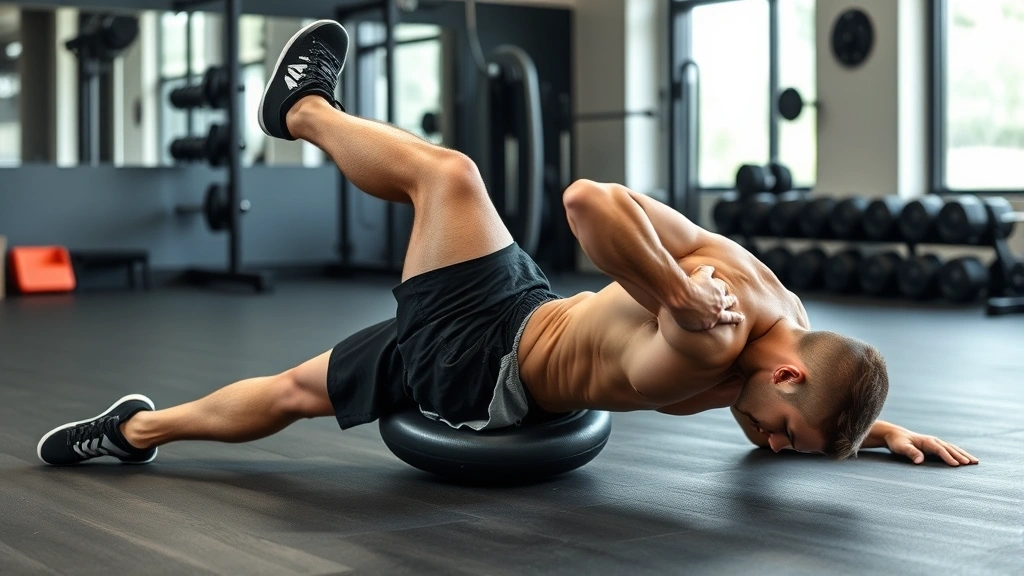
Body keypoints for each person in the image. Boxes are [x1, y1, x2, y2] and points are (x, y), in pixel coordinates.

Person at [38, 20, 976, 469]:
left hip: (483, 359)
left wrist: (855, 426)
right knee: (293, 391)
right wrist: (866, 425)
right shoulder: (751, 311)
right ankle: (134, 429)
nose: (768, 448)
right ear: (795, 373)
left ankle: (301, 109)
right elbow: (591, 204)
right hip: (519, 313)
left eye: (783, 449)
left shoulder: (732, 340)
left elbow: (587, 208)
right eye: (786, 433)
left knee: (447, 177)